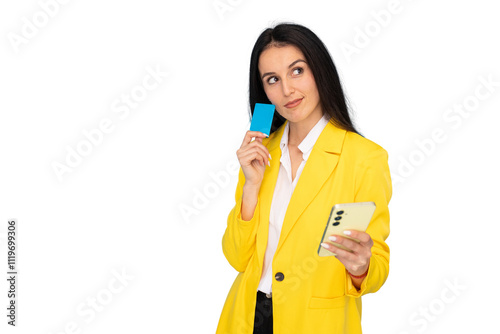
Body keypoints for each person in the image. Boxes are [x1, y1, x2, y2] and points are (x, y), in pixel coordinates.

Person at [216, 22, 392, 334]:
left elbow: (376, 267)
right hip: (246, 318)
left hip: (316, 324)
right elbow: (236, 257)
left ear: (319, 70)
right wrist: (251, 187)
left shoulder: (365, 159)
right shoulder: (259, 155)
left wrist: (361, 266)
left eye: (297, 71)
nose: (287, 90)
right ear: (264, 91)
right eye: (273, 79)